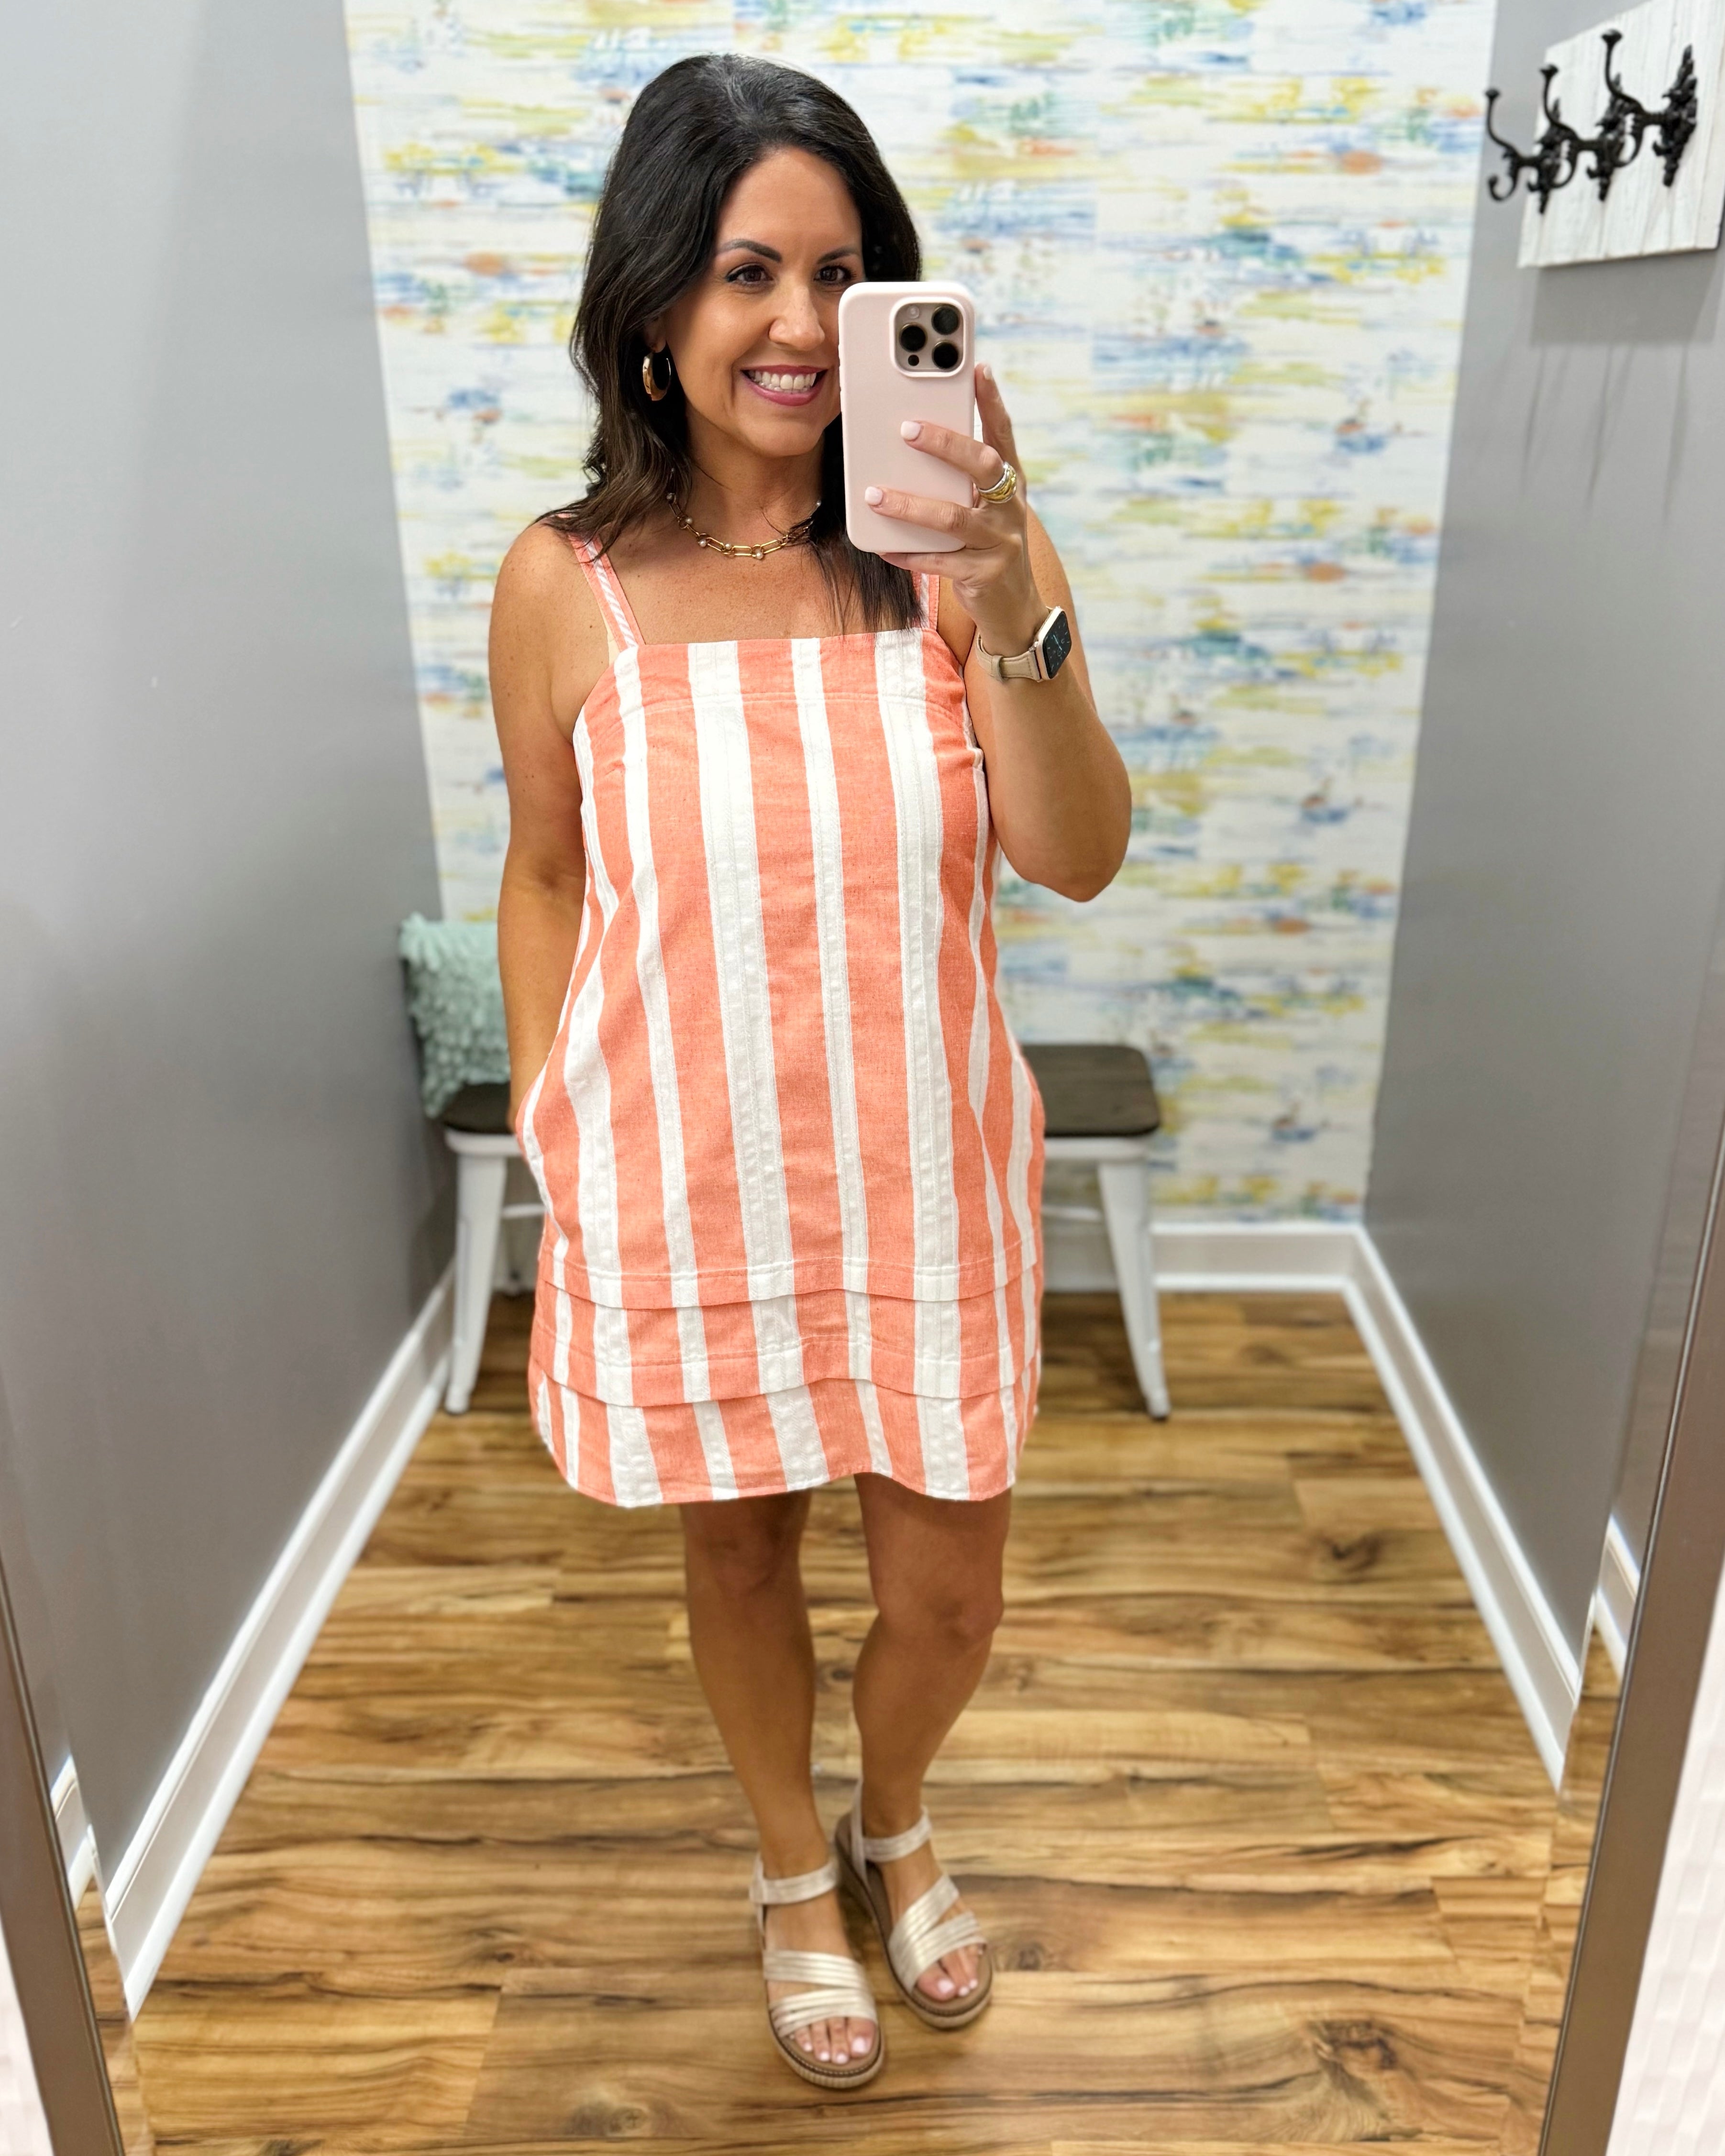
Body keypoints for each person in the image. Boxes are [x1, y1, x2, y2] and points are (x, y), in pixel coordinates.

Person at [488, 50, 1130, 2091]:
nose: (790, 325)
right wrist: (546, 1118)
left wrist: (1008, 586)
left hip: (922, 1173)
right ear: (655, 307)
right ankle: (790, 1862)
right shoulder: (561, 585)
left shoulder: (955, 561)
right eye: (746, 270)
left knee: (947, 1591)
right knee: (737, 1548)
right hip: (686, 1179)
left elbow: (1076, 855)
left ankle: (892, 1806)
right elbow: (543, 868)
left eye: (840, 277)